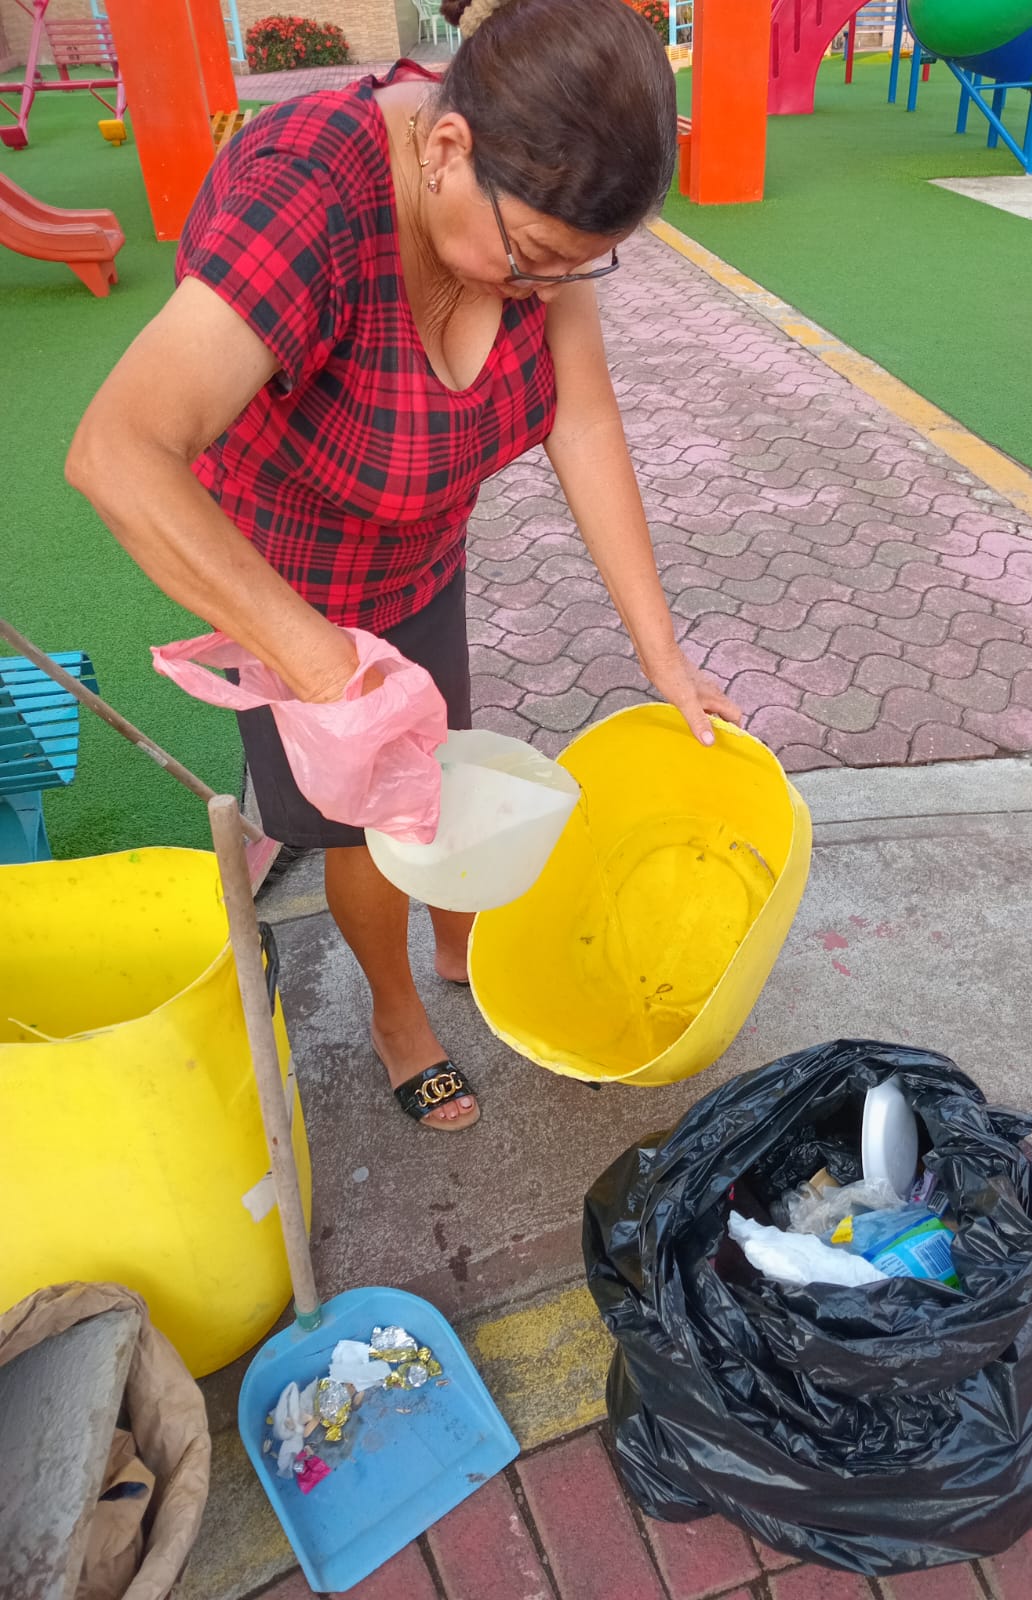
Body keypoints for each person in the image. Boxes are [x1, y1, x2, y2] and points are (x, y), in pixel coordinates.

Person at [66, 0, 741, 1133]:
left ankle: (459, 938)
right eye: (532, 259)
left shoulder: (540, 216)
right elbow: (116, 452)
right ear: (447, 148)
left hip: (416, 557)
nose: (543, 290)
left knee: (440, 775)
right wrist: (324, 668)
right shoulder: (310, 197)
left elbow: (581, 419)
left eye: (579, 268)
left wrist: (663, 654)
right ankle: (396, 1014)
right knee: (367, 828)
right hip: (283, 583)